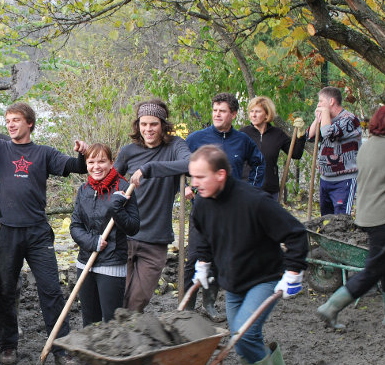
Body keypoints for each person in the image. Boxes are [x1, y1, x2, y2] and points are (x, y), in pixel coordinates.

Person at [189, 144, 308, 365]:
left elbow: (295, 233)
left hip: (265, 278)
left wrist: (293, 271)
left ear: (220, 174)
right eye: (192, 177)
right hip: (233, 283)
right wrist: (203, 263)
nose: (195, 183)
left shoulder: (254, 201)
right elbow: (203, 235)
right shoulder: (203, 203)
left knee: (243, 336)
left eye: (200, 177)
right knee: (243, 339)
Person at [0, 102, 88, 365]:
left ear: (30, 123)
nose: (11, 124)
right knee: (5, 290)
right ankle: (8, 345)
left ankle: (61, 347)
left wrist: (84, 154)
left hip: (38, 232)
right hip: (7, 232)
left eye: (16, 119)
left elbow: (77, 166)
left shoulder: (44, 153)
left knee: (51, 289)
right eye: (8, 120)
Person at [317, 105, 385, 329]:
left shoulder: (368, 145)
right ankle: (331, 307)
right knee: (373, 270)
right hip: (384, 218)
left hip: (370, 214)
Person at [183, 92, 266, 320]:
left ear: (234, 114)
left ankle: (209, 304)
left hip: (231, 209)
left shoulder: (243, 141)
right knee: (195, 255)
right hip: (202, 206)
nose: (217, 114)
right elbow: (180, 163)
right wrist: (187, 186)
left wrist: (252, 190)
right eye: (214, 110)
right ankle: (186, 306)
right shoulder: (196, 139)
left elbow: (259, 163)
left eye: (222, 111)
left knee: (220, 257)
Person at [70, 143, 140, 365]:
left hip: (112, 263)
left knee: (111, 322)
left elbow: (133, 227)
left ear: (111, 162)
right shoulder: (84, 189)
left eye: (101, 161)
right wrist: (92, 242)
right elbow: (75, 225)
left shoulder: (124, 188)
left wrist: (116, 209)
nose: (96, 167)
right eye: (91, 162)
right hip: (85, 261)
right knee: (90, 321)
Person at [114, 99, 190, 312]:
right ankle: (119, 341)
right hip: (125, 235)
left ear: (163, 125)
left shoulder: (175, 146)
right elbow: (111, 181)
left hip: (155, 239)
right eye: (143, 124)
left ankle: (127, 334)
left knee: (137, 300)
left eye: (153, 124)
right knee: (118, 297)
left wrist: (149, 168)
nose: (148, 129)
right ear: (137, 125)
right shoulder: (129, 151)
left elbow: (190, 164)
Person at [307, 86, 362, 215]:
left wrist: (325, 113)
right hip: (325, 178)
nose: (318, 105)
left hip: (344, 179)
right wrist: (317, 119)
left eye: (321, 101)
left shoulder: (349, 119)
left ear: (331, 101)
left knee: (341, 221)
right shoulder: (326, 120)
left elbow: (328, 133)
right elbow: (310, 136)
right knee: (326, 219)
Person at [239, 96, 306, 201]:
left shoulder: (277, 134)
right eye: (251, 111)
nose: (253, 115)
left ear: (267, 114)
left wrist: (301, 135)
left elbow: (296, 154)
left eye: (257, 111)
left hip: (269, 190)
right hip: (247, 190)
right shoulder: (243, 134)